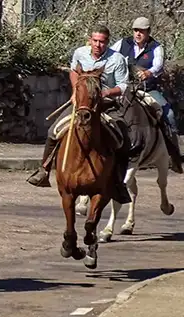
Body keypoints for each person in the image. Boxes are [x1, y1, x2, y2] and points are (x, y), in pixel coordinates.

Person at [26, 25, 132, 203]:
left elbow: (123, 85)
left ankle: (118, 182)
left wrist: (105, 93)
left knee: (122, 138)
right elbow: (74, 71)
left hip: (105, 105)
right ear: (90, 40)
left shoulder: (117, 59)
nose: (98, 45)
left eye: (102, 42)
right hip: (81, 104)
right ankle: (44, 169)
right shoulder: (80, 53)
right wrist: (76, 91)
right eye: (95, 41)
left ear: (108, 42)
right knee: (54, 131)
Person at [111, 16, 182, 171]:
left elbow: (158, 65)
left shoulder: (156, 47)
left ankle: (174, 154)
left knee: (168, 114)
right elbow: (110, 56)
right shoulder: (122, 43)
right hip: (123, 88)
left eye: (142, 31)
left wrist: (148, 72)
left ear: (148, 32)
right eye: (136, 30)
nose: (138, 34)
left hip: (147, 89)